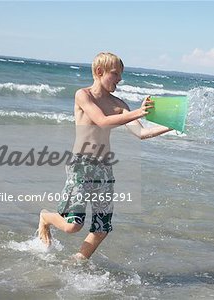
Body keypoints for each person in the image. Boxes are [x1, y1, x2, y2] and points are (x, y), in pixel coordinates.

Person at [38, 52, 172, 260]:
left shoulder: (119, 105)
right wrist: (139, 112)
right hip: (80, 165)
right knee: (73, 226)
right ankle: (46, 217)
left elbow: (141, 133)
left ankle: (77, 261)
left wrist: (172, 125)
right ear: (99, 72)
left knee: (102, 228)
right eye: (115, 73)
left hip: (104, 168)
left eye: (120, 75)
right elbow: (101, 120)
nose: (119, 79)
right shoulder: (83, 95)